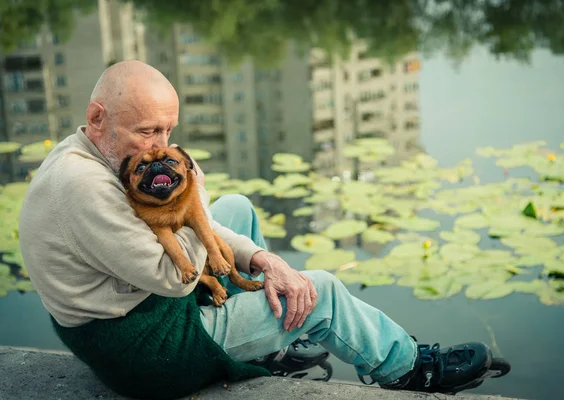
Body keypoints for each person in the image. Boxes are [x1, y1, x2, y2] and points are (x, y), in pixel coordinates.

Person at [19, 61, 506, 399]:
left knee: (239, 209)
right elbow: (178, 278)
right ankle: (410, 370)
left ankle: (273, 336)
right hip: (144, 349)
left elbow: (187, 232)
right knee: (323, 292)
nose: (163, 145)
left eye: (168, 130)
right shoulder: (79, 185)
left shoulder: (96, 149)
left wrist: (266, 261)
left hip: (145, 305)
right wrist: (193, 189)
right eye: (147, 132)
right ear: (97, 117)